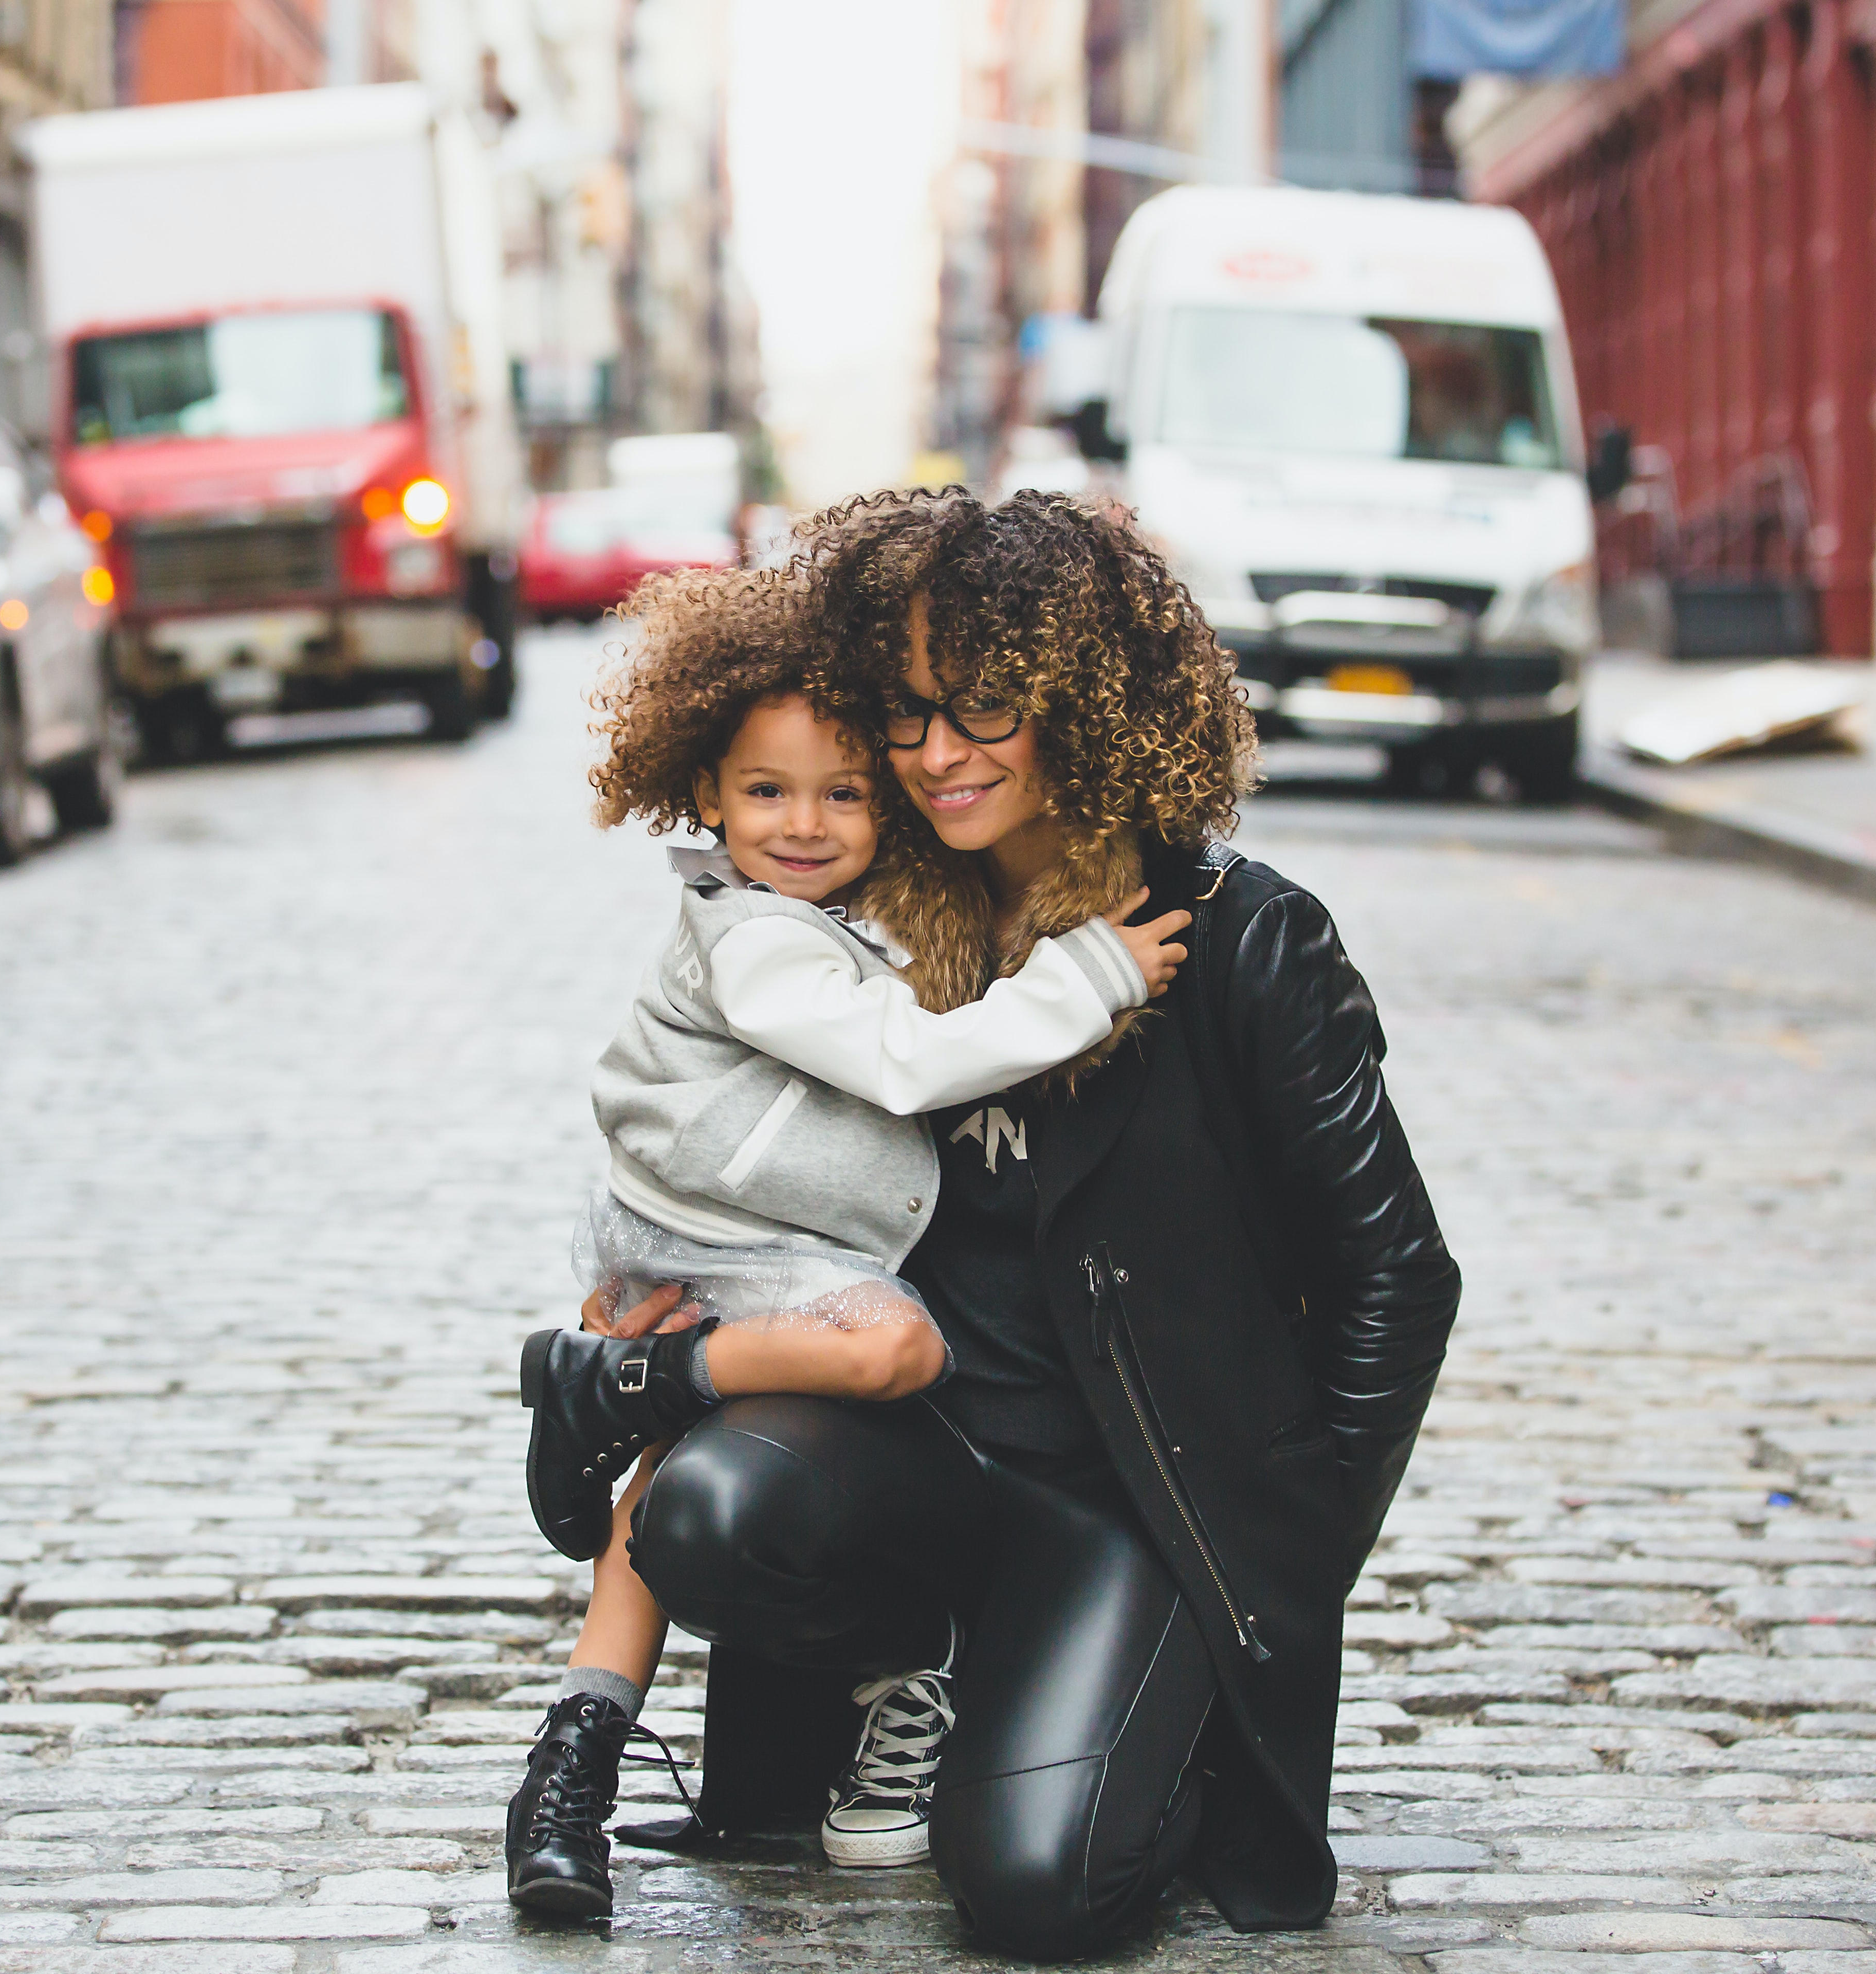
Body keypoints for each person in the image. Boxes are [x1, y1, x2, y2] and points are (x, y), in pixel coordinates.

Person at [617, 489, 1463, 1961]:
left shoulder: (1244, 942)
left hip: (1129, 1502)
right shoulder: (871, 921)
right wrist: (649, 1315)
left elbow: (1399, 1276)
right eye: (909, 713)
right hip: (922, 1456)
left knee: (1035, 1892)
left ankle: (1128, 1708)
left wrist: (1276, 1567)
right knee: (709, 1517)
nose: (938, 754)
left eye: (987, 709)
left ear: (1088, 702)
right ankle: (921, 1678)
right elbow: (715, 1143)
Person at [505, 561, 1193, 1918]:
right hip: (736, 1238)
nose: (806, 824)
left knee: (662, 1469)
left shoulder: (826, 917)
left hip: (717, 1233)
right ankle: (633, 1393)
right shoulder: (756, 940)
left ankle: (570, 1753)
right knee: (893, 1344)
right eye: (768, 793)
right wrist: (1096, 974)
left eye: (844, 793)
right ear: (705, 795)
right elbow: (900, 1062)